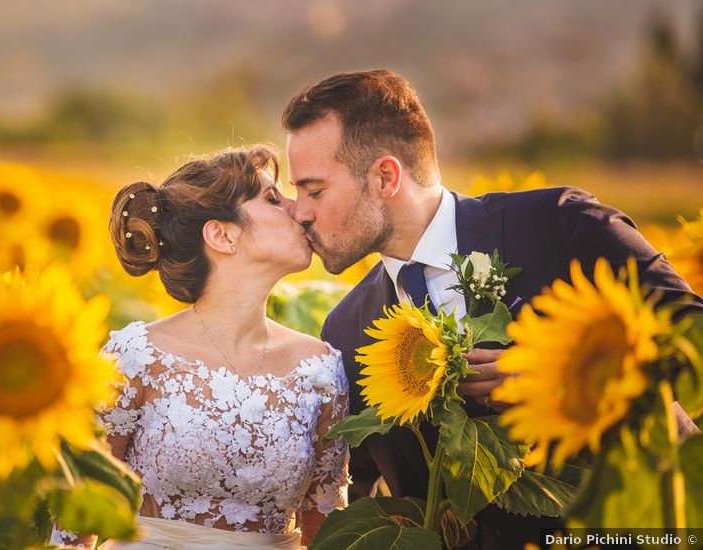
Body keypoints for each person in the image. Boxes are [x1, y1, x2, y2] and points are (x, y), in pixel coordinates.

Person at [281, 69, 703, 549]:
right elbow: (349, 494)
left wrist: (563, 381)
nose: (300, 211)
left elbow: (695, 339)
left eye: (314, 191)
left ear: (385, 177)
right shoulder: (347, 329)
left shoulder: (561, 226)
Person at [50, 145, 349, 549]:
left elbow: (326, 531)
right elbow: (74, 518)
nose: (300, 210)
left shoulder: (320, 369)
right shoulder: (139, 356)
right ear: (223, 235)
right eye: (273, 199)